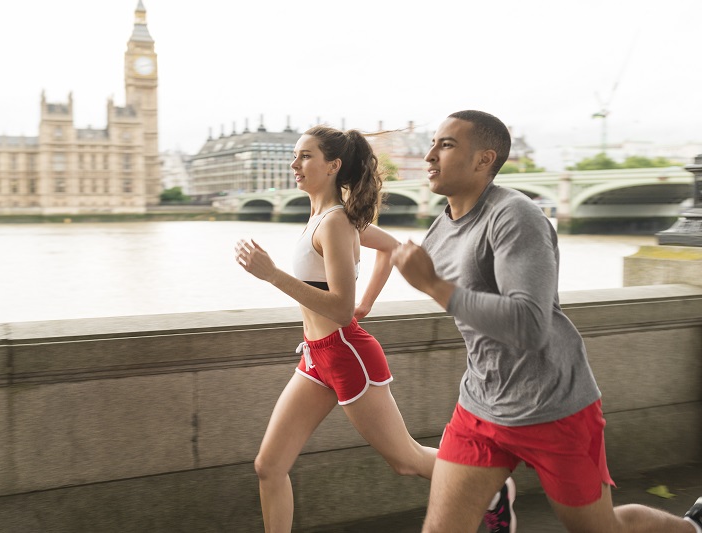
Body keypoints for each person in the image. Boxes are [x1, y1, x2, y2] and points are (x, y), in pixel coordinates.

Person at [390, 109, 702, 533]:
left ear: (484, 159)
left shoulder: (516, 216)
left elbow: (530, 324)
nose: (430, 156)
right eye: (431, 144)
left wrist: (433, 285)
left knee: (601, 528)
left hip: (553, 406)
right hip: (480, 406)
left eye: (445, 145)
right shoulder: (438, 232)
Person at [235, 125, 514, 533]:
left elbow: (342, 310)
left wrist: (273, 275)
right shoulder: (325, 217)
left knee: (407, 460)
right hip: (317, 358)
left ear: (333, 165)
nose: (294, 164)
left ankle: (491, 487)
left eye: (305, 156)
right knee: (269, 466)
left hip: (347, 356)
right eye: (295, 156)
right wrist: (368, 301)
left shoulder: (334, 223)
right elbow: (389, 249)